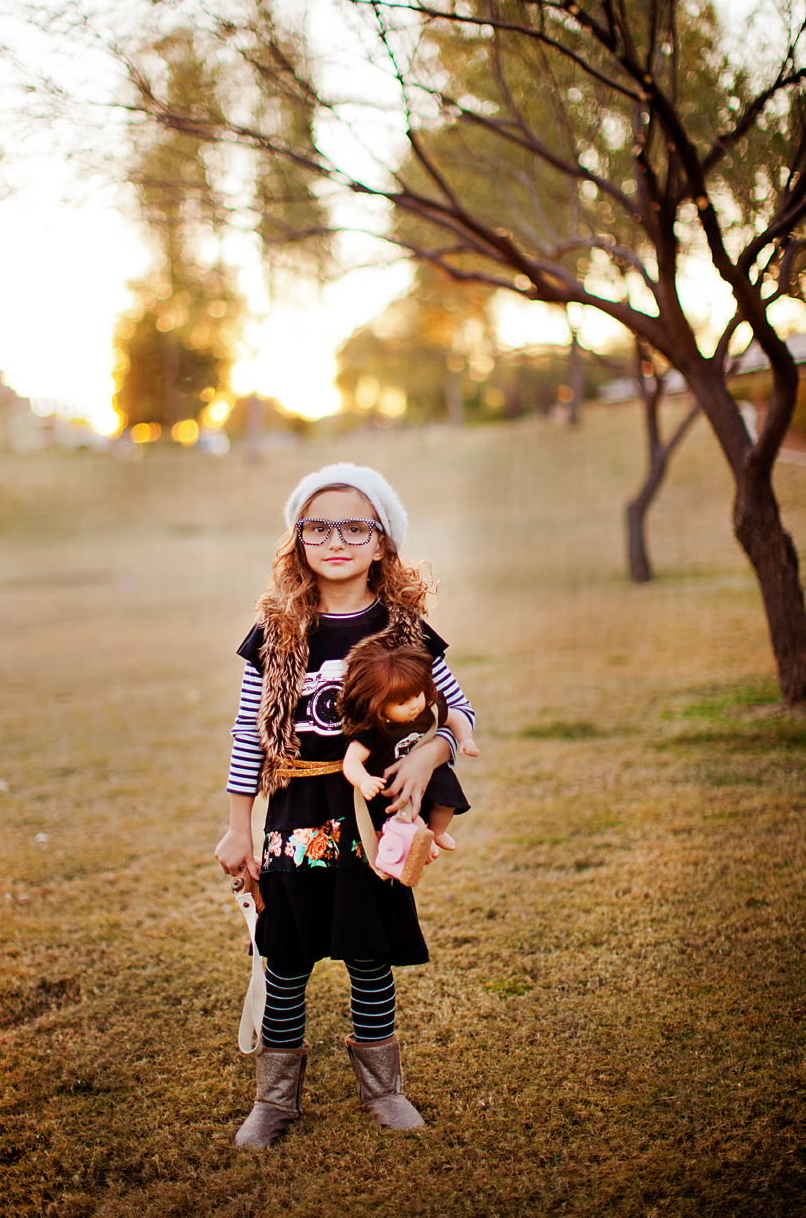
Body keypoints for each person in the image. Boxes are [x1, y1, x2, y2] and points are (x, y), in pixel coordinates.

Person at [214, 462, 475, 1148]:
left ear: (383, 541)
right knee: (286, 956)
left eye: (356, 526)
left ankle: (384, 1090)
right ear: (297, 539)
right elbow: (249, 734)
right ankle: (275, 1101)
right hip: (296, 814)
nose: (337, 539)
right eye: (318, 526)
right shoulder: (278, 630)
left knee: (369, 951)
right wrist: (238, 829)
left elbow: (461, 713)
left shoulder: (402, 628)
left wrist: (428, 752)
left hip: (376, 817)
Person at [339, 642, 475, 853]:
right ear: (378, 703)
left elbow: (455, 716)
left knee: (447, 802)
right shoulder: (373, 729)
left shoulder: (427, 710)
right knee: (409, 818)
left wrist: (465, 738)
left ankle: (437, 831)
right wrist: (364, 780)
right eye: (402, 702)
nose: (414, 705)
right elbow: (351, 761)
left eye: (417, 694)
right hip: (394, 784)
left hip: (431, 774)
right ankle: (423, 843)